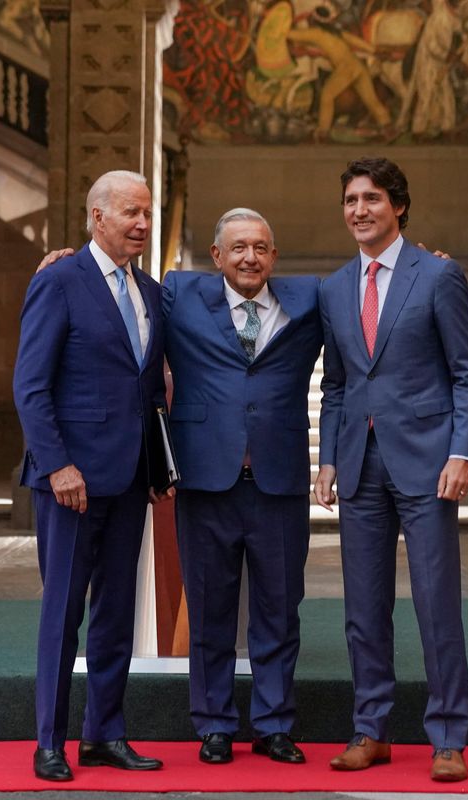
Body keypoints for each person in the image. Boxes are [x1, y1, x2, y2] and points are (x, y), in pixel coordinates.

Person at [313, 157, 468, 782]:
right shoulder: (333, 289)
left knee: (437, 604)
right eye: (352, 199)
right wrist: (328, 457)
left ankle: (447, 737)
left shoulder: (437, 275)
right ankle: (371, 729)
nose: (360, 210)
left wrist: (463, 453)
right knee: (364, 608)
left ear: (399, 207)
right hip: (359, 466)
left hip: (429, 465)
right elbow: (334, 383)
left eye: (373, 199)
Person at [13, 170, 168, 782]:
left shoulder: (151, 292)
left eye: (148, 214)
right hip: (69, 482)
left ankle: (105, 734)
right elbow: (30, 386)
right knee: (64, 612)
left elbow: (149, 389)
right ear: (96, 216)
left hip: (130, 480)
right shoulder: (58, 280)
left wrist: (158, 467)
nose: (143, 224)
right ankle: (49, 741)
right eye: (132, 212)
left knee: (116, 613)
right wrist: (57, 465)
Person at [163, 209, 322, 765]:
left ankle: (275, 724)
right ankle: (213, 724)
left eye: (260, 247)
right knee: (210, 610)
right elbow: (117, 289)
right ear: (216, 256)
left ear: (274, 256)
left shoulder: (310, 301)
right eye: (238, 248)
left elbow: (366, 290)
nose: (250, 257)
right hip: (207, 480)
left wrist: (428, 266)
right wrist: (68, 261)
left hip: (278, 483)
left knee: (280, 609)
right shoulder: (179, 295)